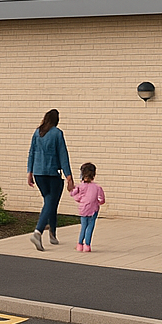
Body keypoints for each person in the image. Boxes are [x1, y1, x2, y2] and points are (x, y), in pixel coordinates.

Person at [27, 108, 73, 251]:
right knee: (51, 201)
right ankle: (38, 231)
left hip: (38, 173)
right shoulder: (57, 133)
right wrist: (69, 176)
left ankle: (52, 233)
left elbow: (31, 152)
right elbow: (63, 154)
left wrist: (30, 172)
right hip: (52, 173)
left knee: (50, 201)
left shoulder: (37, 132)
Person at [68, 162, 106, 252]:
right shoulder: (97, 187)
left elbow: (73, 194)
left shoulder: (80, 186)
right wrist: (98, 202)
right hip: (94, 209)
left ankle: (79, 244)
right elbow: (102, 199)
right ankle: (87, 245)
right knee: (90, 226)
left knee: (83, 226)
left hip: (83, 209)